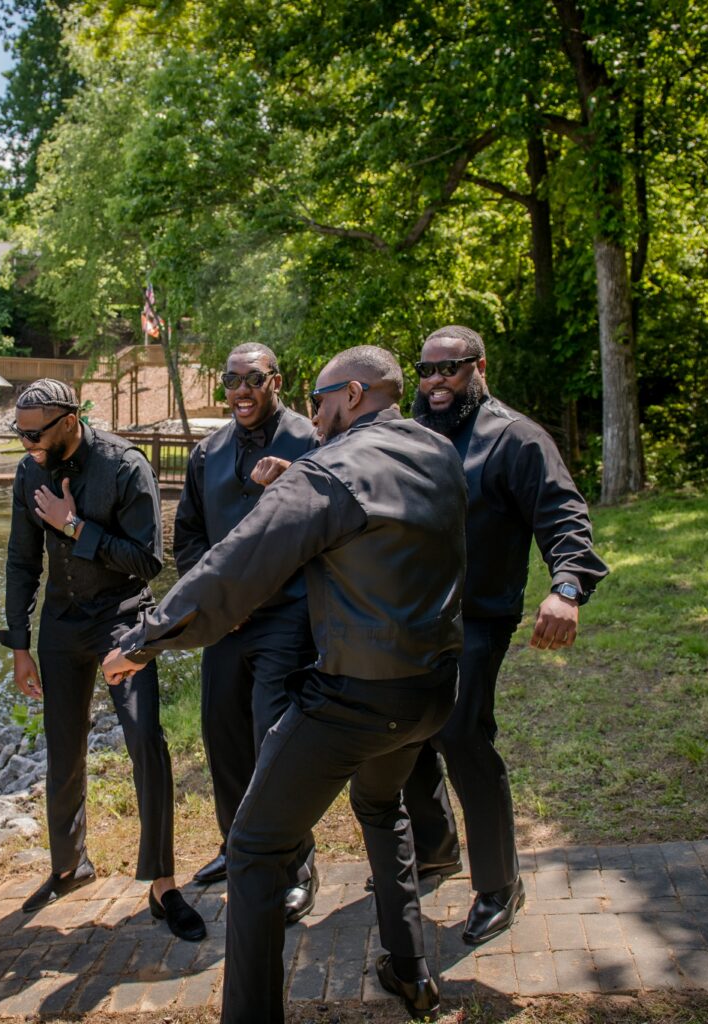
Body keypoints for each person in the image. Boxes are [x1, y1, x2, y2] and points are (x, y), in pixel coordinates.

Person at [104, 346, 467, 1024]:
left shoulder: (326, 469)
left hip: (355, 699)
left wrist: (142, 642)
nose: (317, 410)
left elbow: (233, 567)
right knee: (383, 809)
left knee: (254, 848)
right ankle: (412, 973)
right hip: (432, 687)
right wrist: (299, 477)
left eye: (323, 396)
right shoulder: (437, 451)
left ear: (354, 394)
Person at [398, 324, 609, 946]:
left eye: (450, 369)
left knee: (461, 734)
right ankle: (434, 852)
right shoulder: (409, 434)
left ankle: (499, 885)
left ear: (479, 367)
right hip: (405, 618)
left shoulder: (515, 438)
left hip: (477, 620)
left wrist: (566, 587)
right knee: (402, 731)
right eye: (426, 370)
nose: (436, 382)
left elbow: (565, 514)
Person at [0, 379, 204, 942]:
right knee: (62, 747)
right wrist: (20, 646)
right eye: (19, 433)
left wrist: (75, 527)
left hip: (122, 619)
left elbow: (148, 560)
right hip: (60, 625)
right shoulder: (28, 472)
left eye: (34, 433)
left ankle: (163, 883)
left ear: (70, 419)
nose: (25, 442)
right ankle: (68, 866)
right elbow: (21, 563)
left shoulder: (123, 465)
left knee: (143, 739)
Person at [172, 343, 320, 921]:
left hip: (287, 618)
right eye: (230, 381)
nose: (240, 391)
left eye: (252, 379)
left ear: (275, 381)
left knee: (274, 743)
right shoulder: (205, 452)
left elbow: (330, 523)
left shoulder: (310, 443)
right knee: (223, 736)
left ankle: (296, 864)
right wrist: (212, 599)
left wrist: (293, 481)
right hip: (223, 625)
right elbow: (186, 536)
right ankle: (237, 848)